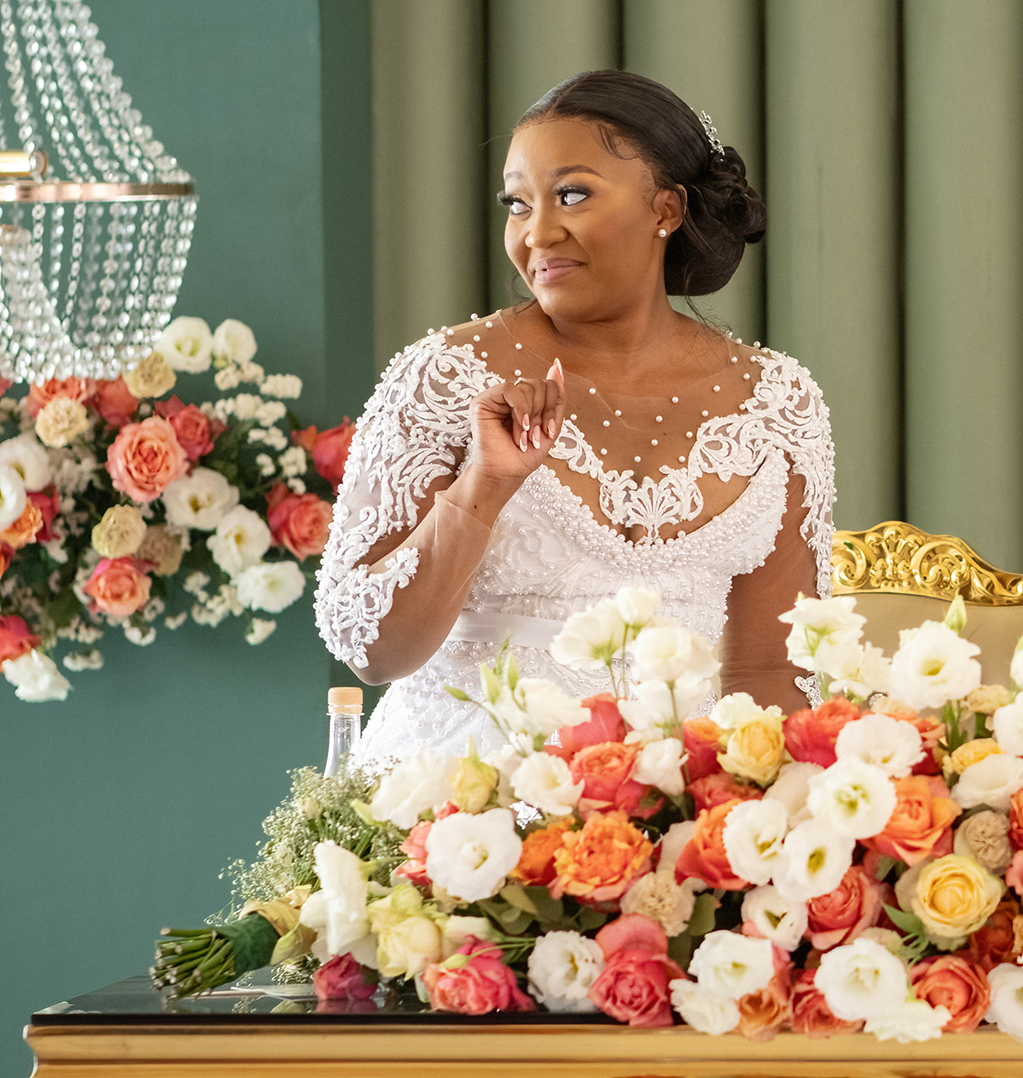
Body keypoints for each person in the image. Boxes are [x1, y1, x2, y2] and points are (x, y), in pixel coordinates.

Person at [316, 70, 834, 763]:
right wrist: (485, 485)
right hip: (454, 804)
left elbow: (770, 671)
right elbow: (372, 650)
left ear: (667, 208)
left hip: (673, 807)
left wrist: (741, 813)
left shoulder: (776, 400)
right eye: (518, 204)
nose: (537, 233)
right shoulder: (444, 376)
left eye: (571, 195)